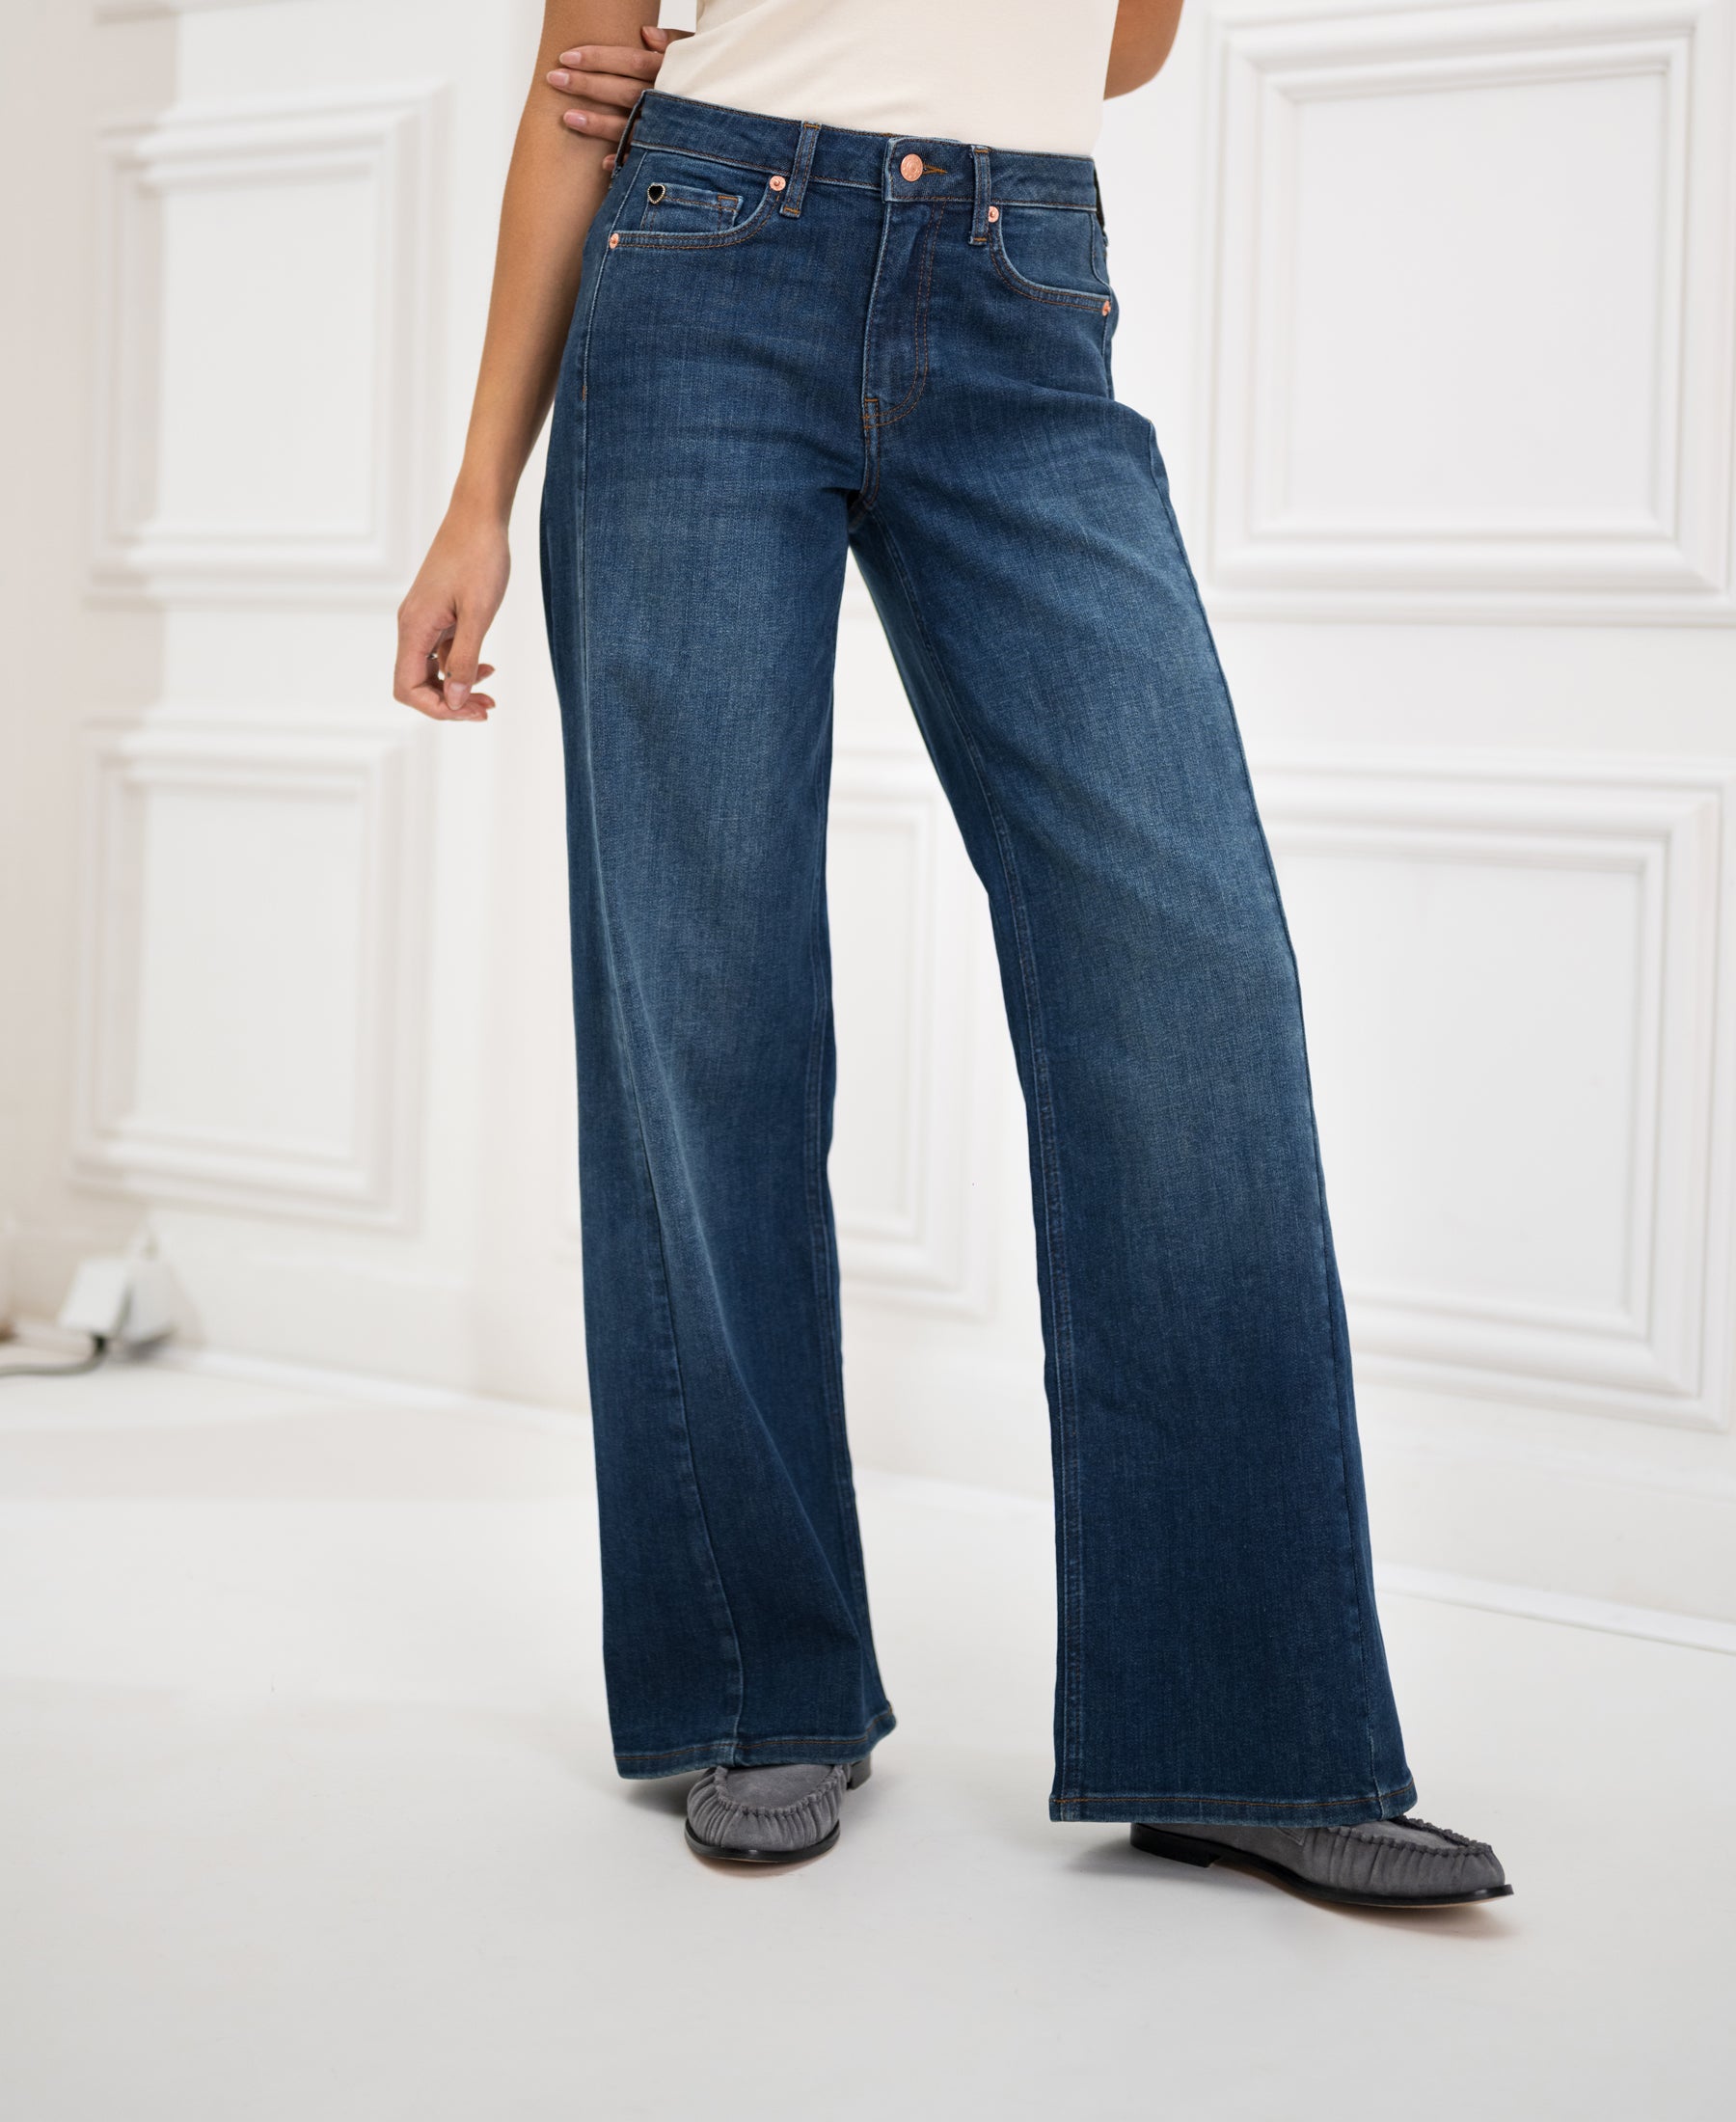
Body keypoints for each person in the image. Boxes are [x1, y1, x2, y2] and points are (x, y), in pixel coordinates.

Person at [393, 1, 1511, 1910]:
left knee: (1190, 967)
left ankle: (1245, 1729)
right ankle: (760, 1685)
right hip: (704, 264)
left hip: (1023, 278)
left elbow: (1118, 48)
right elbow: (582, 86)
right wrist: (478, 496)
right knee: (706, 998)